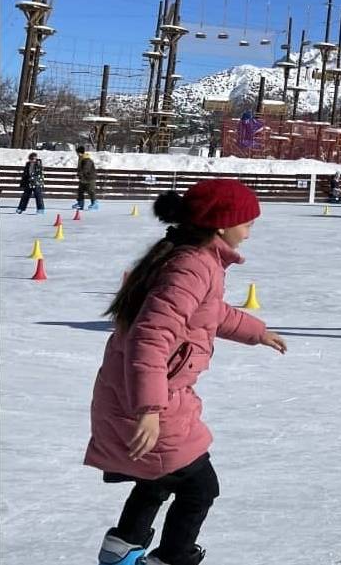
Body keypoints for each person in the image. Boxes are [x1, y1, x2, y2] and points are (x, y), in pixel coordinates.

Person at [86, 180, 287, 565]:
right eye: (247, 222)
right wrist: (148, 409)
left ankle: (122, 548)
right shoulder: (193, 265)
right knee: (199, 487)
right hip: (153, 398)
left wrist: (257, 332)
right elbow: (150, 336)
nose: (249, 231)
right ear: (220, 225)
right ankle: (173, 557)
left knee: (159, 477)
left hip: (140, 393)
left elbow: (210, 313)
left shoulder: (192, 258)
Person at [77, 144, 99, 210]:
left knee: (91, 191)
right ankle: (80, 203)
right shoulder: (81, 159)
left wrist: (79, 174)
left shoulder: (87, 160)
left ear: (80, 153)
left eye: (77, 153)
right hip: (84, 178)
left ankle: (94, 204)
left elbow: (85, 169)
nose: (77, 154)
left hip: (90, 178)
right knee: (80, 191)